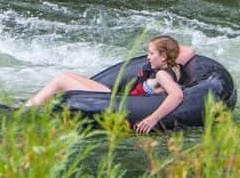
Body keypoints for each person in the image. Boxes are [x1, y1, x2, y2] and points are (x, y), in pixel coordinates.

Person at [24, 35, 193, 134]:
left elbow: (177, 95)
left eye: (150, 53)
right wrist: (164, 46)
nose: (147, 57)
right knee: (67, 75)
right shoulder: (176, 64)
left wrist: (152, 119)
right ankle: (34, 105)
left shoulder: (163, 74)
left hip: (115, 103)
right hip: (118, 97)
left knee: (61, 78)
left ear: (163, 56)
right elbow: (189, 51)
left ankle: (26, 110)